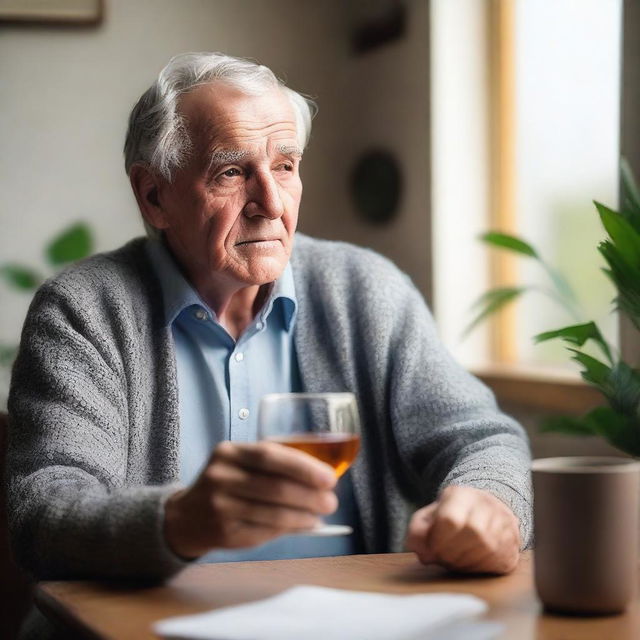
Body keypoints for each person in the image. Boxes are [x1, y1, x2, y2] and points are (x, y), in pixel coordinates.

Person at [7, 52, 531, 585]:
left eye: (285, 166)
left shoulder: (365, 289)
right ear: (153, 195)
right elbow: (44, 512)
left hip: (348, 619)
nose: (272, 203)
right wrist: (180, 521)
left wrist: (489, 503)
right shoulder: (83, 312)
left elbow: (479, 437)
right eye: (232, 172)